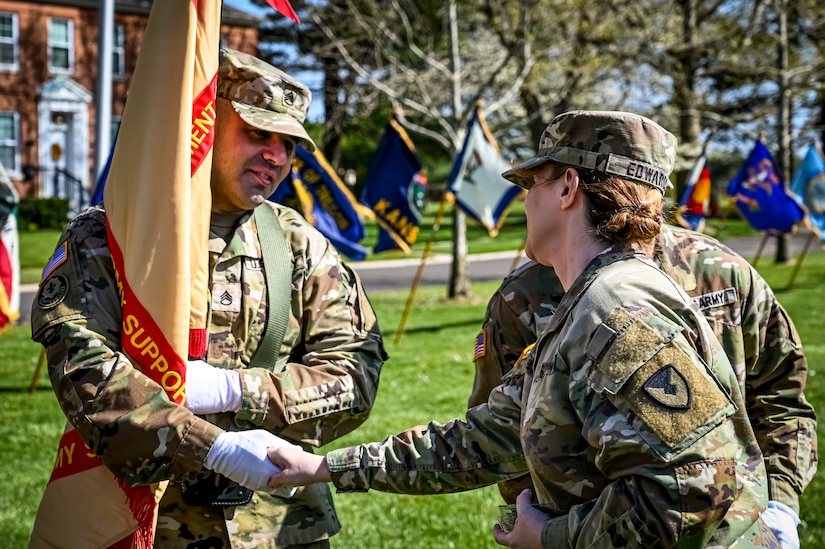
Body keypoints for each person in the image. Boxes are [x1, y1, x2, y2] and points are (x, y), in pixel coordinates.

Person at [266, 110, 778, 548]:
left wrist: (552, 538)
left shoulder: (614, 307)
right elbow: (485, 437)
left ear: (569, 188)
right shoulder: (589, 300)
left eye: (534, 183)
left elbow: (696, 489)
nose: (525, 200)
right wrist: (325, 468)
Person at [30, 48, 386, 549]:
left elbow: (355, 376)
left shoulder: (299, 243)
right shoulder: (111, 236)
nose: (277, 156)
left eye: (287, 143)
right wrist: (212, 447)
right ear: (203, 123)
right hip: (147, 523)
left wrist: (236, 391)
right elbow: (85, 372)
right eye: (258, 133)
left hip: (278, 526)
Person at [469, 224, 818, 548]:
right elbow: (499, 430)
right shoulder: (523, 297)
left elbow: (780, 395)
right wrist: (546, 528)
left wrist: (781, 506)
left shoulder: (723, 272)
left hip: (736, 533)